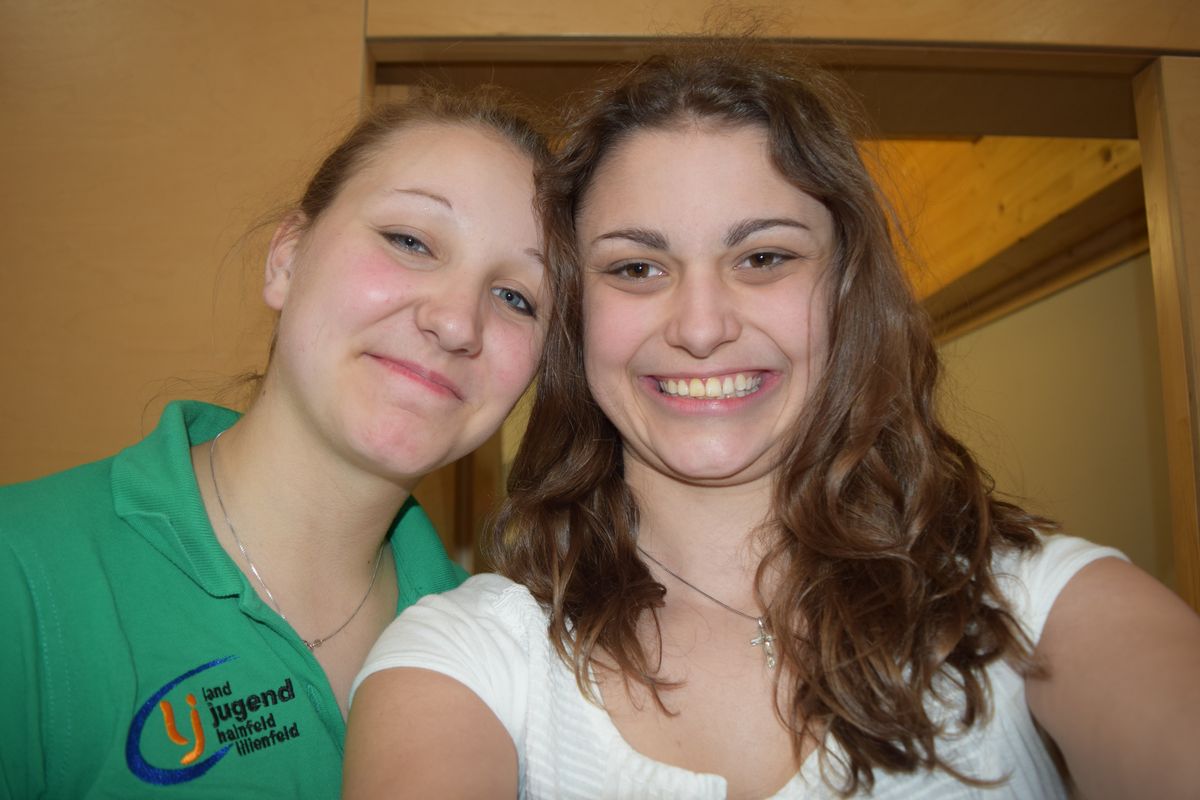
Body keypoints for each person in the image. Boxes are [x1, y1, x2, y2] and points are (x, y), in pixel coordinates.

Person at [343, 49, 1200, 799]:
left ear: (847, 293)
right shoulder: (466, 655)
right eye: (637, 267)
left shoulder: (1038, 604)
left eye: (764, 258)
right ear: (575, 316)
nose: (701, 325)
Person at [0, 88, 551, 798]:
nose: (456, 323)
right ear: (287, 258)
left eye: (516, 297)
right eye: (410, 241)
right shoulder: (24, 574)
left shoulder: (506, 650)